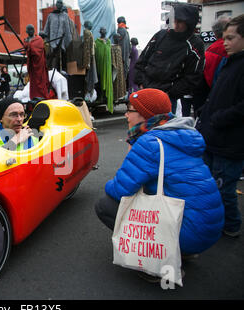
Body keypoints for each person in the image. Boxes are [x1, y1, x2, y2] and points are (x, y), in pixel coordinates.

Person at [95, 89, 224, 260]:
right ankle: (183, 252)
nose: (126, 114)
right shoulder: (180, 134)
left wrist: (112, 180)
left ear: (145, 114)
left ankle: (160, 260)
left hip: (189, 232)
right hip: (208, 228)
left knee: (104, 205)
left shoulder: (150, 142)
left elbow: (119, 190)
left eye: (130, 110)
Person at [196, 14, 244, 238]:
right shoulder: (228, 62)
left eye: (231, 38)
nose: (225, 42)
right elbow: (216, 95)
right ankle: (216, 222)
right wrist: (205, 116)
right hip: (213, 137)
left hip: (231, 141)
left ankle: (232, 226)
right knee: (209, 184)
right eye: (224, 37)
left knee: (225, 189)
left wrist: (219, 118)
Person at [134, 3, 205, 113]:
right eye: (174, 20)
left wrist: (171, 93)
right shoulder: (160, 35)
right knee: (142, 127)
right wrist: (141, 83)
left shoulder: (195, 44)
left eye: (180, 22)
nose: (176, 25)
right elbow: (142, 61)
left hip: (167, 97)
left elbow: (193, 76)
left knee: (162, 127)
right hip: (146, 90)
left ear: (189, 23)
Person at [24, 24, 53, 100]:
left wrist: (29, 45)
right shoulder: (27, 40)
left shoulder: (39, 39)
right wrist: (29, 45)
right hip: (32, 66)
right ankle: (34, 98)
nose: (29, 32)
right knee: (33, 84)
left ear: (33, 30)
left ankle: (42, 98)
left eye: (30, 30)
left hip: (39, 65)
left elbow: (35, 49)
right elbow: (27, 48)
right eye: (28, 31)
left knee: (41, 83)